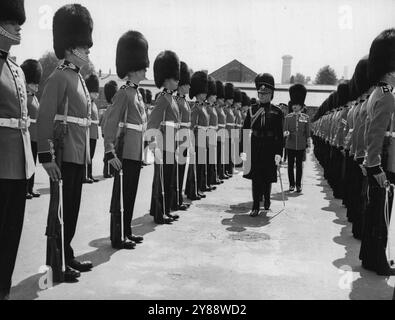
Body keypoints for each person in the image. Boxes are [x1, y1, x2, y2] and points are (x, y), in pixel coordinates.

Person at [37, 4, 94, 282]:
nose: (88, 50)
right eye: (84, 46)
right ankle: (56, 262)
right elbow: (45, 117)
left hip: (77, 152)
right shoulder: (59, 76)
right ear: (70, 48)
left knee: (72, 208)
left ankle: (66, 252)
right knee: (61, 209)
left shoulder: (78, 78)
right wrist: (46, 157)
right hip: (62, 152)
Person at [0, 0, 35, 300]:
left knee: (12, 233)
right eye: (12, 21)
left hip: (19, 161)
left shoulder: (16, 69)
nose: (18, 25)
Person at [104, 30, 149, 248]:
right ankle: (118, 235)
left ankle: (127, 230)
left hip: (136, 151)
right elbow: (110, 122)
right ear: (132, 70)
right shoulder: (123, 93)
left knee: (130, 194)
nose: (145, 70)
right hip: (124, 152)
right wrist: (109, 151)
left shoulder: (137, 94)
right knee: (122, 195)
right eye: (142, 67)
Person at [360, 29, 395, 276]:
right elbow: (375, 134)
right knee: (382, 214)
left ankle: (368, 257)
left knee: (374, 210)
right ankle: (378, 260)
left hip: (377, 161)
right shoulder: (388, 97)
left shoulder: (377, 94)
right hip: (384, 164)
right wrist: (376, 166)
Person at [241, 73, 284, 216]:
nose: (262, 95)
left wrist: (279, 153)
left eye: (265, 93)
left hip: (270, 146)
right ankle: (255, 206)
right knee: (256, 177)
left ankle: (267, 199)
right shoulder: (252, 109)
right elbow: (245, 129)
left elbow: (279, 134)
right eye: (260, 93)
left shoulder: (277, 112)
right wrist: (243, 149)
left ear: (271, 94)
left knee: (267, 176)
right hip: (255, 145)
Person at [148, 50, 181, 224]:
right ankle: (160, 212)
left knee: (168, 178)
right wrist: (154, 146)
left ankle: (165, 209)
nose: (178, 80)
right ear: (167, 79)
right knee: (161, 179)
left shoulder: (172, 99)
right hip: (163, 143)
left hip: (172, 142)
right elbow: (152, 123)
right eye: (175, 78)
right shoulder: (162, 98)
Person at [21, 59, 43, 199]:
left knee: (33, 164)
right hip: (28, 134)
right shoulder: (26, 98)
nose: (36, 86)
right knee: (27, 164)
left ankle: (31, 187)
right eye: (34, 83)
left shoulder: (34, 98)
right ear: (28, 83)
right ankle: (25, 189)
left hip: (35, 136)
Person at [174, 61, 196, 204]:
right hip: (178, 139)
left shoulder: (185, 101)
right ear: (182, 85)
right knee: (177, 171)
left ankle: (178, 198)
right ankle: (175, 199)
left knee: (182, 169)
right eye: (187, 84)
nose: (189, 86)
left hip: (185, 138)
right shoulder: (176, 100)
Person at [283, 84, 310, 193]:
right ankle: (291, 184)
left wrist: (308, 144)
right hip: (290, 144)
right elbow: (284, 130)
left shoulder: (306, 118)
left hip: (301, 144)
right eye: (293, 104)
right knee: (290, 166)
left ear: (301, 106)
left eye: (297, 105)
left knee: (299, 166)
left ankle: (298, 185)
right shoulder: (288, 117)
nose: (294, 106)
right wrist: (286, 133)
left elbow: (307, 132)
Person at [190, 71, 213, 195]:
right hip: (198, 138)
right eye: (204, 92)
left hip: (204, 138)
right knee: (197, 166)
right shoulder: (196, 108)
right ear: (198, 93)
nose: (205, 94)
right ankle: (194, 190)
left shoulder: (203, 107)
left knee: (201, 165)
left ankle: (199, 187)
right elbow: (192, 125)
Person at [101, 80, 118, 178]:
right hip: (109, 133)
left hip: (110, 132)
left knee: (111, 152)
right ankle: (106, 171)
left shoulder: (111, 108)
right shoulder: (111, 108)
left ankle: (110, 170)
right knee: (108, 153)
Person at [84, 74, 100, 183]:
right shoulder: (86, 102)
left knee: (91, 156)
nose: (96, 94)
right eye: (94, 92)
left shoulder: (93, 104)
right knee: (87, 156)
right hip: (88, 133)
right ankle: (85, 175)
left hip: (93, 133)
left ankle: (89, 174)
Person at [215, 80, 228, 180]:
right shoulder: (215, 108)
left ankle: (219, 173)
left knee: (220, 156)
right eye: (221, 98)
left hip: (222, 134)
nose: (223, 100)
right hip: (215, 135)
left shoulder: (221, 109)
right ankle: (216, 175)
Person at [224, 83, 235, 177]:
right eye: (230, 98)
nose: (232, 100)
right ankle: (226, 170)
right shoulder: (225, 109)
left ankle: (228, 170)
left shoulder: (230, 109)